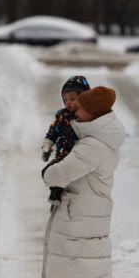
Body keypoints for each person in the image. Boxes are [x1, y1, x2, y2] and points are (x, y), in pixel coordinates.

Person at [41, 86, 125, 278]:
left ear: (95, 114)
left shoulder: (91, 147)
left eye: (82, 107)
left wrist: (47, 172)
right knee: (97, 269)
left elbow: (59, 173)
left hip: (78, 212)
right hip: (96, 210)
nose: (75, 109)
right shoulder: (107, 140)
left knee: (73, 265)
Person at [41, 75, 91, 207]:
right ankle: (56, 192)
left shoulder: (88, 117)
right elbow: (53, 131)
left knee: (73, 180)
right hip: (63, 154)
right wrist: (47, 145)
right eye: (65, 100)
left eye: (72, 99)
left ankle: (60, 192)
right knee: (48, 171)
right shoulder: (63, 116)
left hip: (79, 156)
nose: (68, 102)